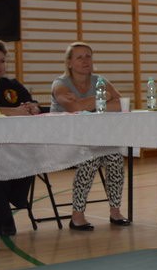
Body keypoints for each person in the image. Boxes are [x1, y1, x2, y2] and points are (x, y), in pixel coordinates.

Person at [50, 42, 129, 230]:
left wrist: (88, 103)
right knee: (90, 157)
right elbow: (74, 108)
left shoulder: (100, 81)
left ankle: (115, 211)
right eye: (80, 57)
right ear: (69, 63)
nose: (86, 60)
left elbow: (122, 105)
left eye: (88, 56)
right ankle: (77, 215)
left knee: (115, 157)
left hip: (94, 138)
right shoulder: (60, 84)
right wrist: (102, 98)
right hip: (64, 140)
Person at [0, 38, 40, 236]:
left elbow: (31, 103)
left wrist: (32, 107)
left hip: (12, 144)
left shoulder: (11, 85)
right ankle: (3, 214)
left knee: (32, 155)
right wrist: (13, 111)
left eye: (2, 61)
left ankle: (2, 203)